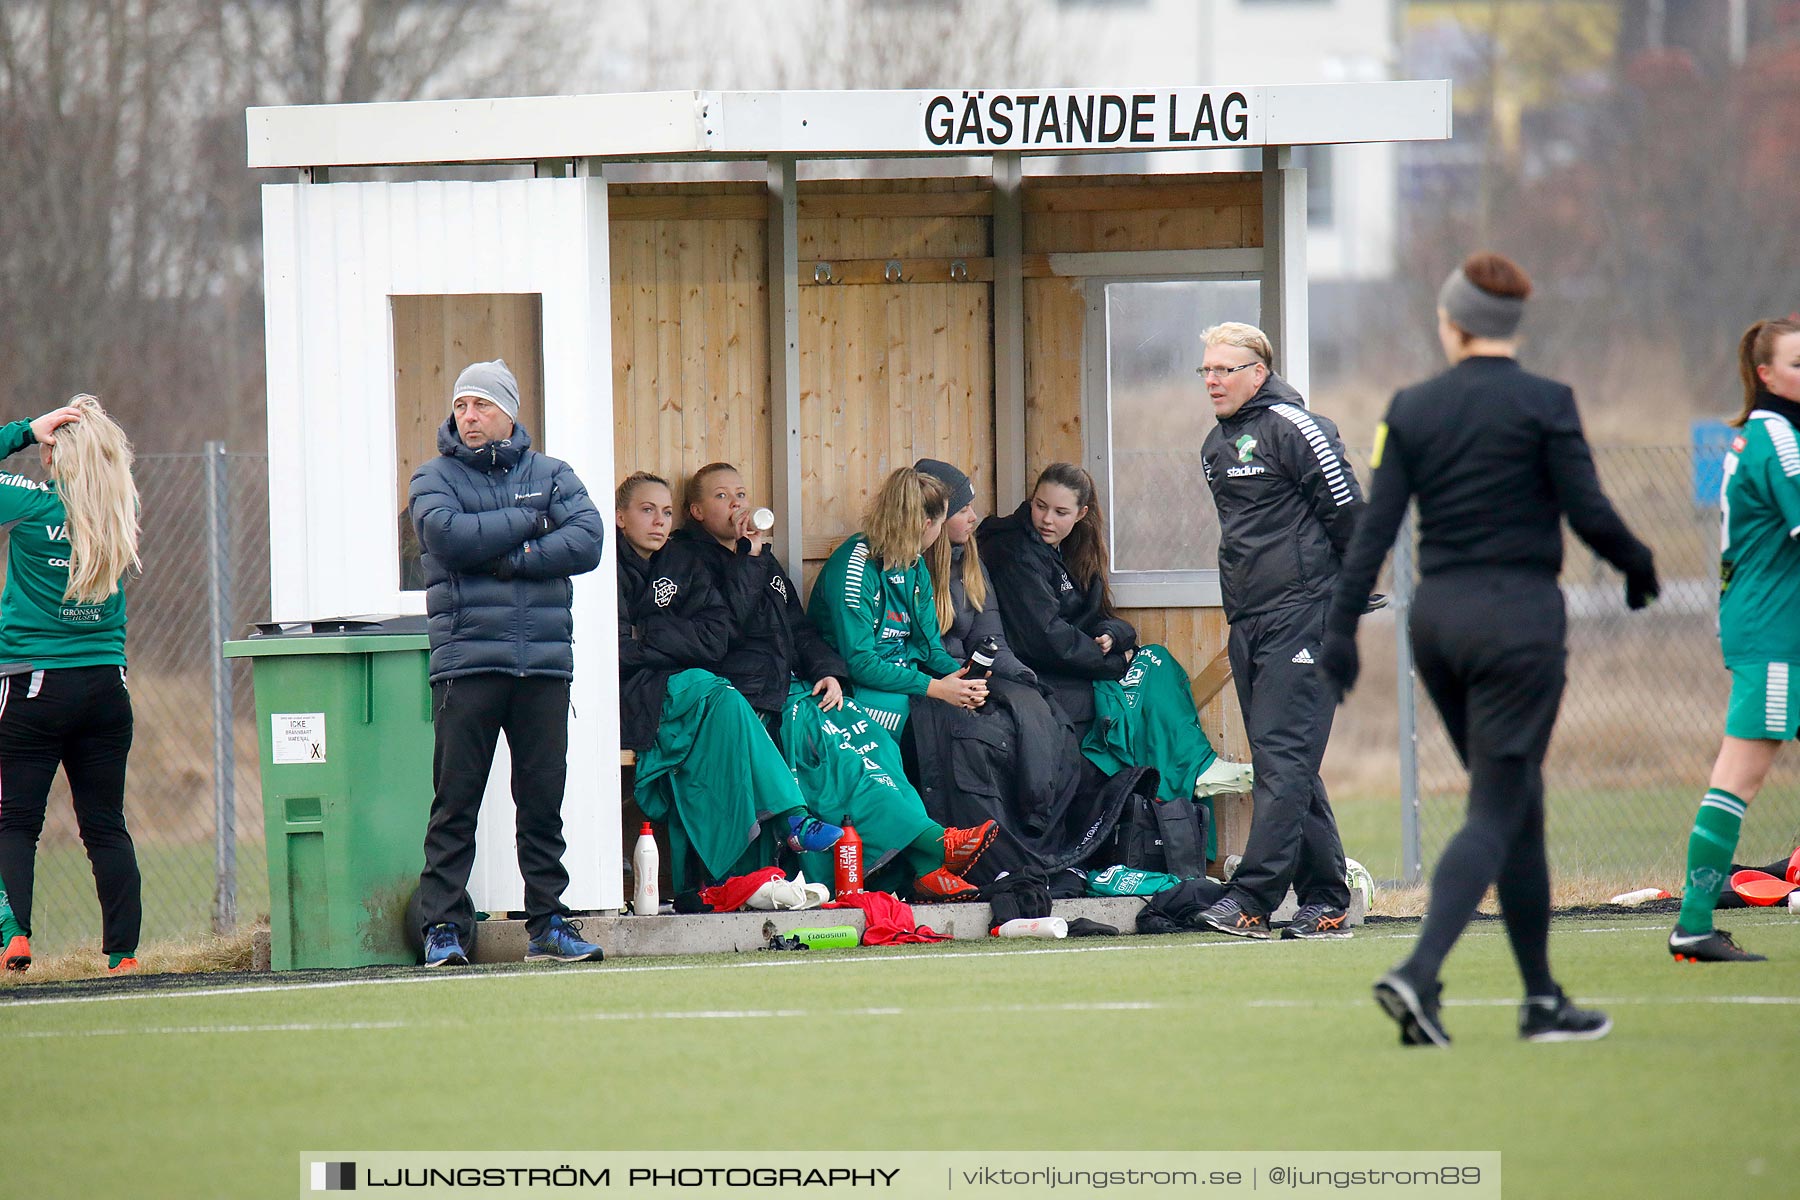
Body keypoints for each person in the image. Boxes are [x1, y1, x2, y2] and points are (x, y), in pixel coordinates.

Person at [1324, 253, 1659, 1045]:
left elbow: (1374, 532)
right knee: (1497, 805)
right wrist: (1639, 564)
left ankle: (1541, 999)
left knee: (1518, 806)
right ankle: (1419, 973)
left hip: (1438, 623)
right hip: (1518, 624)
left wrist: (1341, 629)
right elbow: (1590, 511)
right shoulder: (1547, 403)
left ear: (1452, 321)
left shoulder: (1412, 407)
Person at [668, 462, 993, 899]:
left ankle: (927, 857)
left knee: (871, 746)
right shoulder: (689, 559)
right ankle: (928, 850)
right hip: (748, 694)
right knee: (845, 755)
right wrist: (750, 560)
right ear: (697, 511)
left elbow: (799, 628)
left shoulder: (762, 558)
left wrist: (827, 671)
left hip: (799, 684)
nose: (737, 506)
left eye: (742, 495)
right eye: (723, 497)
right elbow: (724, 634)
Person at [410, 360, 607, 968]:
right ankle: (443, 928)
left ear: (510, 412)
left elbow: (589, 540)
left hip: (543, 668)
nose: (468, 416)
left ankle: (548, 922)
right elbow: (447, 538)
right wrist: (530, 523)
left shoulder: (553, 472)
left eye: (482, 405)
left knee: (542, 803)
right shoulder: (432, 476)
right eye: (461, 406)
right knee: (455, 803)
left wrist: (510, 557)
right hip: (467, 665)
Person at [1192, 322, 1361, 941]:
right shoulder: (1216, 444)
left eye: (1224, 369)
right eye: (1206, 370)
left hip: (1306, 616)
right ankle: (1327, 899)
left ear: (1257, 373)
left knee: (1284, 761)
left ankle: (1252, 899)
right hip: (1250, 620)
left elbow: (1346, 511)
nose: (1211, 380)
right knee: (1285, 762)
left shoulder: (1296, 427)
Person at [979, 465, 1252, 826]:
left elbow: (1097, 616)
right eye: (1040, 506)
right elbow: (1043, 638)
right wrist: (1113, 662)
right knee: (1147, 677)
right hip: (1044, 672)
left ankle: (1197, 768)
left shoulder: (1073, 549)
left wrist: (1116, 635)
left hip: (1078, 662)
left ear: (1082, 514)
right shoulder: (1015, 549)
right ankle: (1194, 770)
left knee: (1156, 660)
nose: (1046, 519)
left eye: (1061, 513)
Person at [616, 470, 846, 894]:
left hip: (688, 681)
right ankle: (789, 823)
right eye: (647, 511)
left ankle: (797, 840)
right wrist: (663, 642)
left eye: (665, 512)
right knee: (725, 697)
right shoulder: (614, 565)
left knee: (731, 700)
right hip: (635, 693)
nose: (659, 521)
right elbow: (614, 648)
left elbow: (714, 637)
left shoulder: (686, 562)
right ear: (619, 518)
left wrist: (647, 637)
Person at [1667, 316, 1800, 964]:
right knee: (1739, 778)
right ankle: (1693, 923)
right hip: (1776, 633)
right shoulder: (1779, 439)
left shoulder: (1765, 434)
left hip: (1775, 624)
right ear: (1767, 376)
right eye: (1798, 365)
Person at [0, 398, 142, 976]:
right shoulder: (118, 512)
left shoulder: (33, 507)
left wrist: (25, 432)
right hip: (108, 688)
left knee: (15, 822)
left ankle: (15, 938)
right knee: (106, 825)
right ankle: (123, 955)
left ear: (60, 455)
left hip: (35, 686)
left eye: (51, 451)